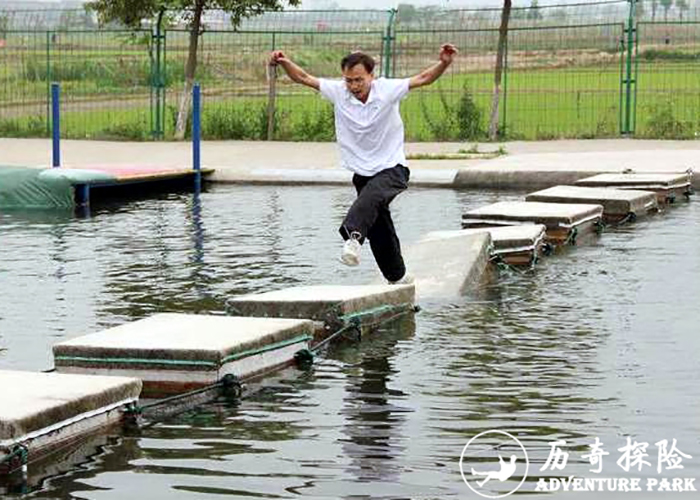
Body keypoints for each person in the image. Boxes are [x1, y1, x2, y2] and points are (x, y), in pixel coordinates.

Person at [270, 44, 458, 284]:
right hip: (362, 172)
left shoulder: (387, 90)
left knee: (368, 201)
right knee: (379, 226)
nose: (354, 86)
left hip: (392, 168)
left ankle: (353, 238)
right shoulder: (339, 92)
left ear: (372, 75)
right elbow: (304, 77)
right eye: (349, 81)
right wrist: (285, 61)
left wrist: (443, 63)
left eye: (359, 80)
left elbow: (423, 78)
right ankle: (397, 276)